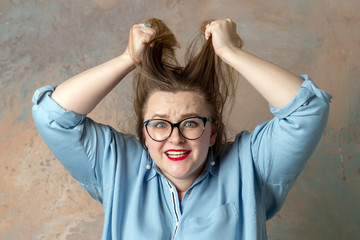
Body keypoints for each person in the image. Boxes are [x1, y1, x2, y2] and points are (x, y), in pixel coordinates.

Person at [32, 18, 331, 239]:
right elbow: (51, 115)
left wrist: (230, 53)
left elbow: (307, 109)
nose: (175, 138)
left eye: (190, 123)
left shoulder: (250, 163)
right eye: (159, 124)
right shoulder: (116, 163)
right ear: (143, 134)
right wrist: (128, 59)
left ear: (213, 131)